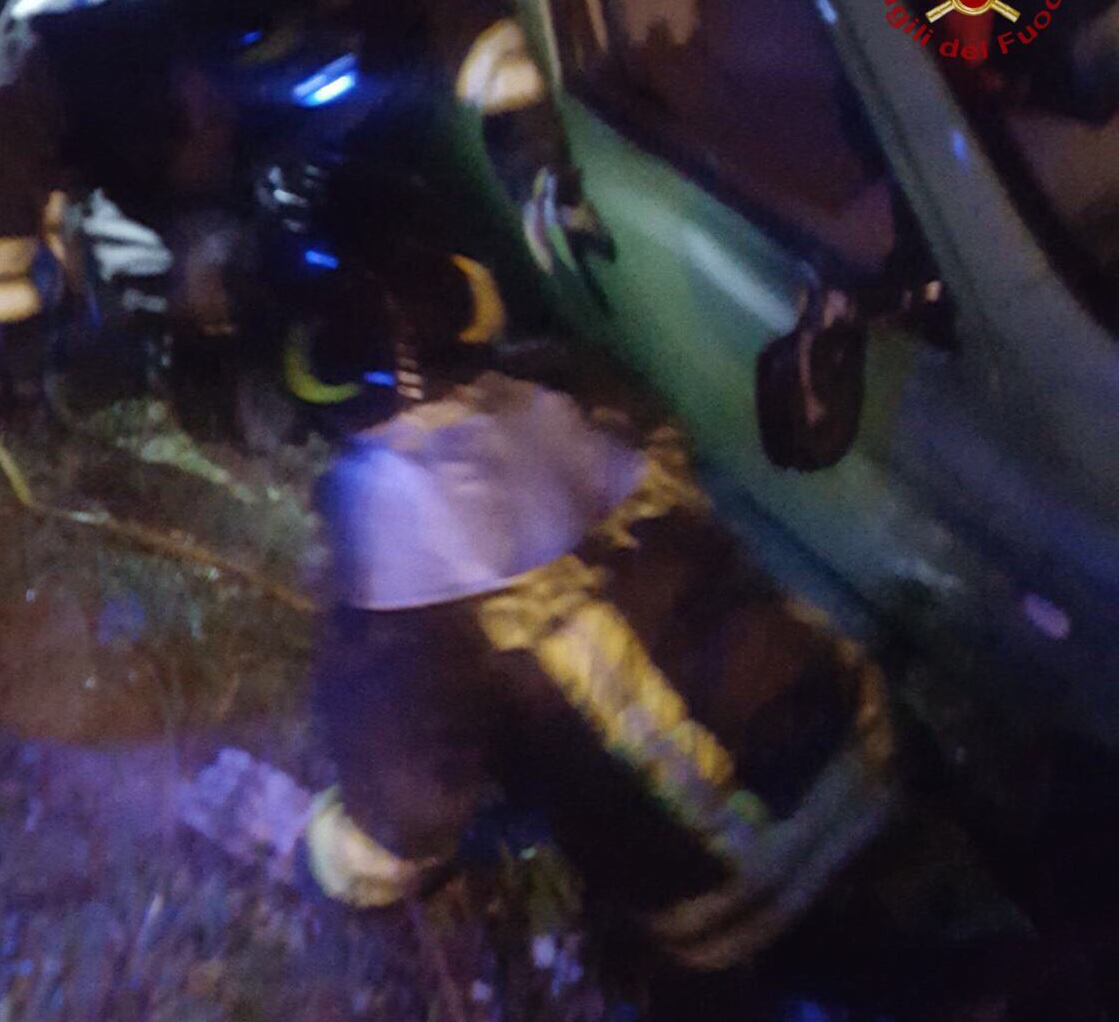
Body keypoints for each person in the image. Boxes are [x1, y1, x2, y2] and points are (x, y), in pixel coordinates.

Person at [299, 249, 897, 973]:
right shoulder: (574, 386)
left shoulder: (395, 596)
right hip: (863, 744)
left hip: (737, 887)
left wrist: (330, 856)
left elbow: (408, 813)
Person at [0, 0, 610, 425]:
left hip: (263, 173)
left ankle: (312, 357)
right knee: (132, 361)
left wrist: (536, 167)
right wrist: (18, 358)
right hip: (124, 196)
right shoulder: (62, 34)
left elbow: (477, 40)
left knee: (347, 263)